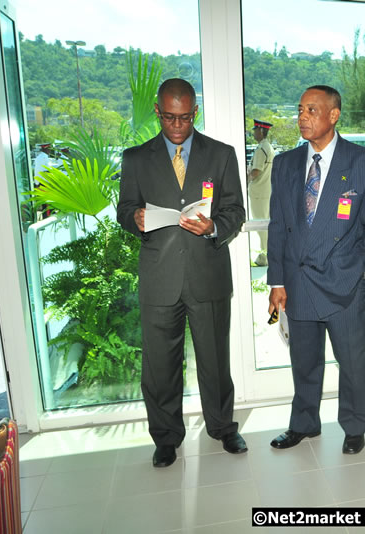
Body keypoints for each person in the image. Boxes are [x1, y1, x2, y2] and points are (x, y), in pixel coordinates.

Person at [117, 78, 247, 468]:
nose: (177, 125)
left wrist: (214, 228)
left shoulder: (221, 155)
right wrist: (135, 218)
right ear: (158, 112)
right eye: (170, 117)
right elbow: (124, 210)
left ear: (195, 113)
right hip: (159, 279)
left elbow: (235, 212)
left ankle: (223, 427)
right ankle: (166, 438)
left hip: (207, 276)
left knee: (214, 360)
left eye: (186, 117)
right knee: (160, 367)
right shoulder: (136, 158)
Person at [267, 85, 365, 455]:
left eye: (312, 110)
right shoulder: (285, 164)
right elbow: (277, 226)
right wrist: (276, 280)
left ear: (333, 115)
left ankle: (354, 426)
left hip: (344, 284)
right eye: (301, 110)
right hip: (298, 282)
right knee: (304, 362)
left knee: (352, 363)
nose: (302, 117)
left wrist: (362, 272)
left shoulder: (364, 163)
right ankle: (303, 423)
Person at [247, 119, 275, 266]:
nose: (253, 132)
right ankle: (267, 255)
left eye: (255, 130)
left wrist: (246, 180)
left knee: (261, 226)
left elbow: (256, 171)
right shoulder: (267, 147)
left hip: (259, 192)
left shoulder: (261, 149)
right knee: (265, 224)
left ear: (261, 131)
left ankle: (265, 257)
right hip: (266, 191)